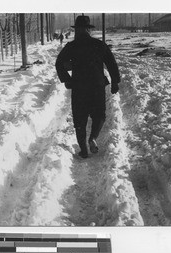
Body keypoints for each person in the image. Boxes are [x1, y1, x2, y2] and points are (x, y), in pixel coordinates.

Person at [55, 15, 120, 158]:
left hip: (79, 87)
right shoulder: (98, 44)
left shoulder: (71, 46)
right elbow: (111, 63)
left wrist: (67, 79)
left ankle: (84, 150)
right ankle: (93, 138)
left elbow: (59, 63)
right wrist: (115, 81)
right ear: (88, 30)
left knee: (79, 119)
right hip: (97, 85)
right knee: (99, 115)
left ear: (77, 30)